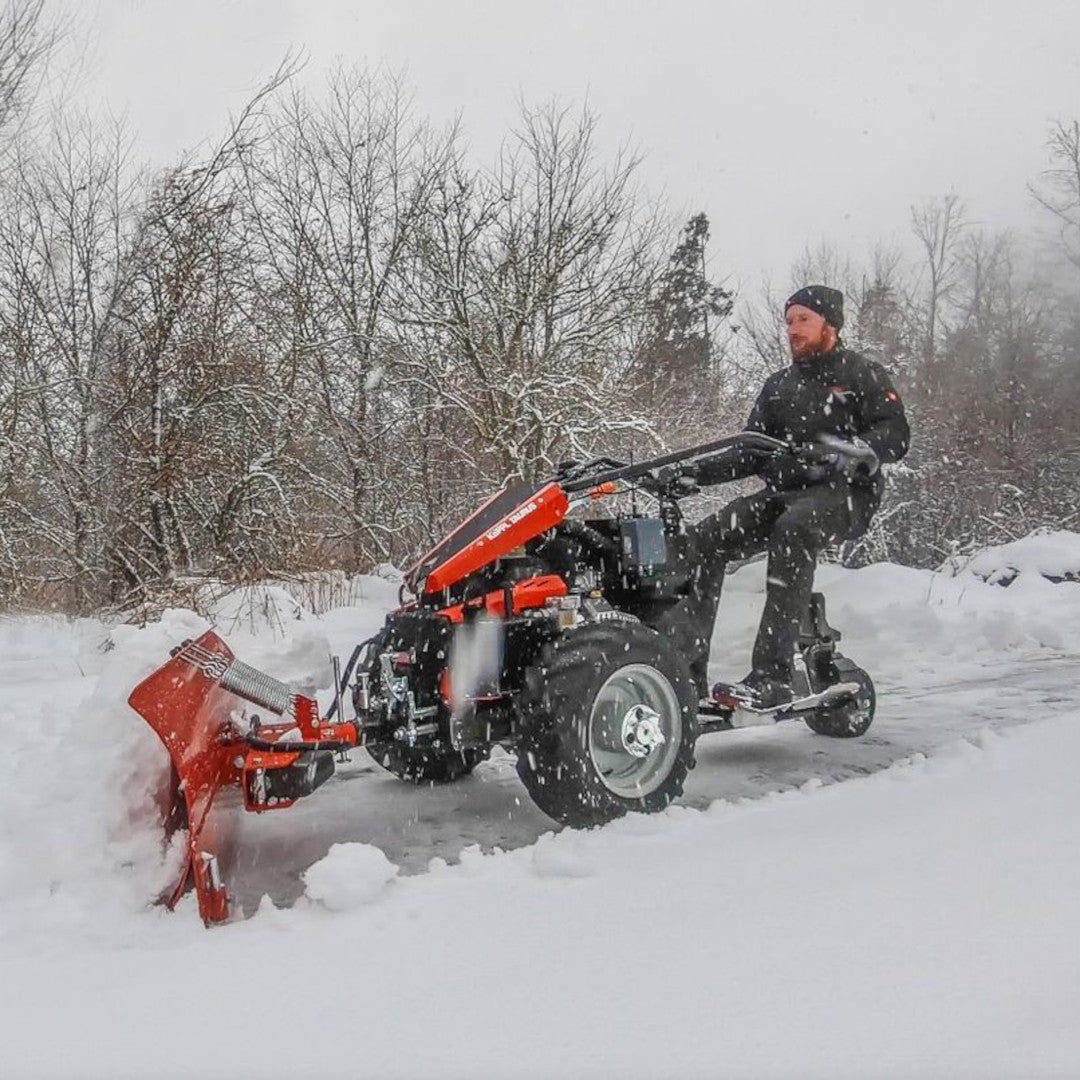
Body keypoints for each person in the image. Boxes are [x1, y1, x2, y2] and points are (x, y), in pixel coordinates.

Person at [687, 284, 910, 709]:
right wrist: (691, 474)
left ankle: (772, 678)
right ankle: (685, 675)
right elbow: (749, 452)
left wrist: (861, 450)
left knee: (794, 529)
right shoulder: (778, 387)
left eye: (803, 319)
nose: (793, 329)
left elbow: (896, 434)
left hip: (844, 495)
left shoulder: (862, 374)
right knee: (704, 539)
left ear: (831, 324)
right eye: (789, 321)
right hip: (784, 495)